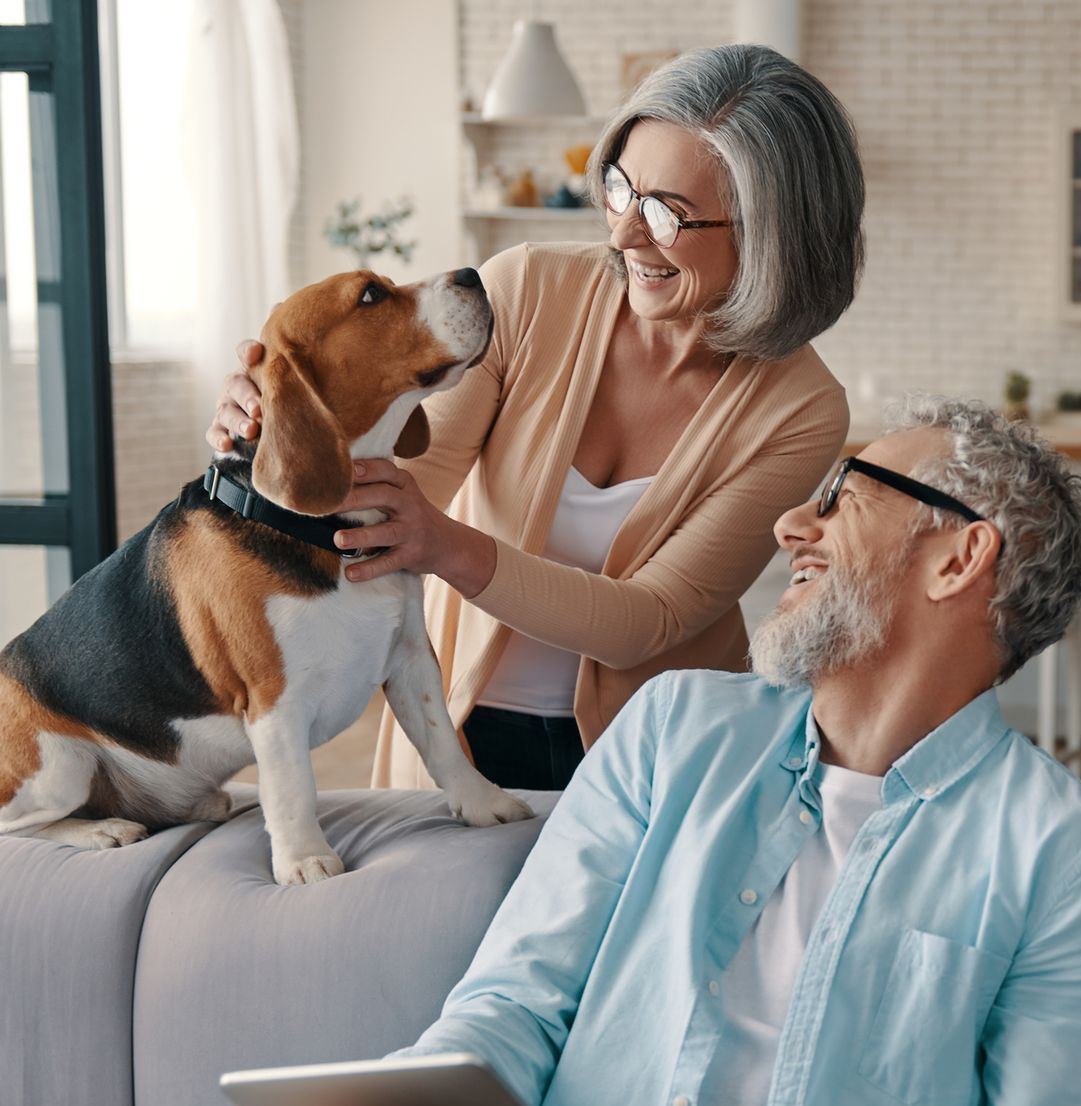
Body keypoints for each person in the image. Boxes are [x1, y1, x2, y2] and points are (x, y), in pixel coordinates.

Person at [199, 401, 1081, 1106]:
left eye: (843, 497)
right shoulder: (675, 730)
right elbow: (516, 1004)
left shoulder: (1070, 856)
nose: (793, 525)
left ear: (959, 559)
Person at [207, 45, 864, 791]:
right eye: (621, 188)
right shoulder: (526, 289)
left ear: (771, 233)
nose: (623, 235)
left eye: (667, 213)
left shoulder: (802, 410)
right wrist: (279, 420)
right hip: (456, 724)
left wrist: (446, 544)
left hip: (656, 758)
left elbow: (650, 620)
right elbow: (391, 485)